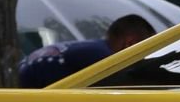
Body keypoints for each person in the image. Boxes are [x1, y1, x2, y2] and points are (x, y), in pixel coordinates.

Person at [14, 13, 161, 88]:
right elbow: (132, 83)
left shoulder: (90, 49)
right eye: (145, 52)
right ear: (130, 43)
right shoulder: (101, 57)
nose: (144, 60)